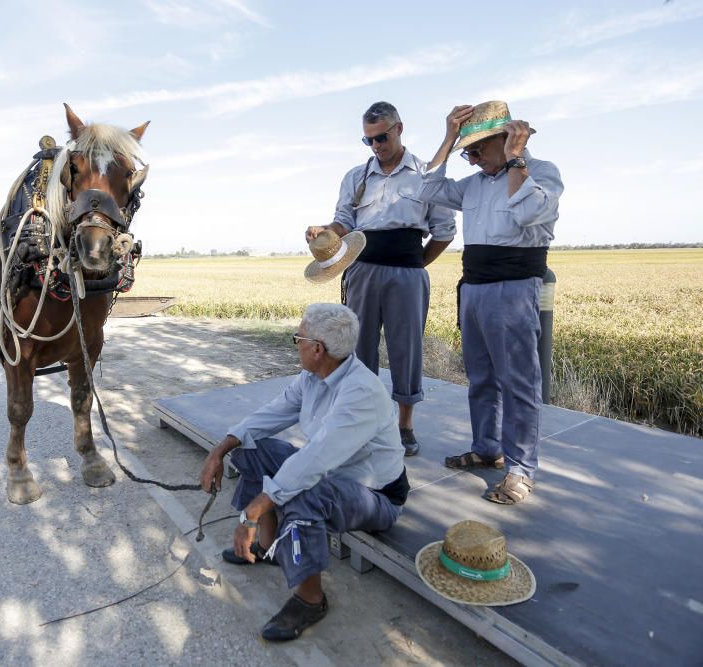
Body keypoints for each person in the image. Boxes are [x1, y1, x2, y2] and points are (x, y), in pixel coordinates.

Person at [199, 303, 408, 641]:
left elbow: (315, 459)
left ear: (316, 349)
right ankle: (267, 547)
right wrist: (220, 450)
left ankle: (310, 598)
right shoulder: (313, 376)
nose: (295, 343)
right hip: (331, 474)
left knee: (304, 493)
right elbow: (271, 415)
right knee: (252, 447)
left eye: (298, 337)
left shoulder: (361, 393)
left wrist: (253, 510)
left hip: (376, 497)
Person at [417, 100, 564, 505]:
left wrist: (517, 162)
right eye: (468, 152)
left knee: (518, 381)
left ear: (507, 138)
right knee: (480, 377)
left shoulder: (542, 172)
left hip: (515, 289)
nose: (472, 158)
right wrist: (448, 139)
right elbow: (426, 188)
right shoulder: (475, 184)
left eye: (478, 149)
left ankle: (521, 469)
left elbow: (529, 211)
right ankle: (487, 448)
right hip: (475, 289)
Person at [306, 102, 456, 456]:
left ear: (399, 129)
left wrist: (415, 264)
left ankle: (404, 425)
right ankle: (366, 421)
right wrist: (323, 231)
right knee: (359, 349)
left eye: (382, 137)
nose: (376, 146)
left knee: (407, 349)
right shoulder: (356, 177)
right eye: (368, 140)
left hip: (408, 272)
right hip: (362, 268)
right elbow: (343, 222)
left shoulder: (426, 172)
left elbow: (445, 231)